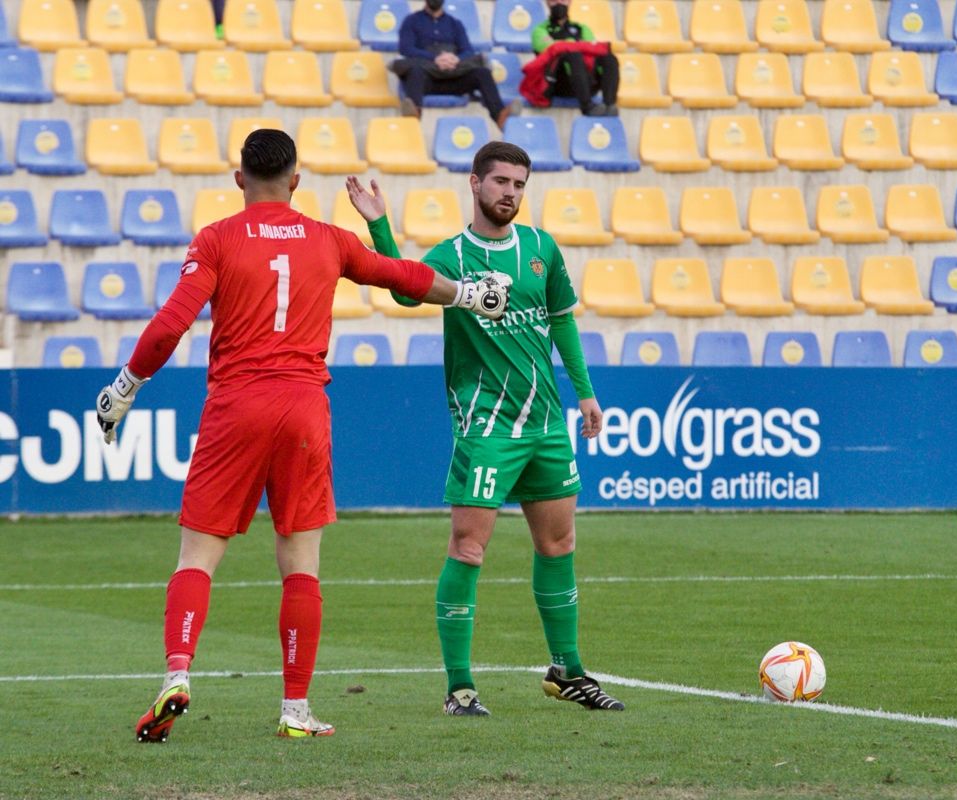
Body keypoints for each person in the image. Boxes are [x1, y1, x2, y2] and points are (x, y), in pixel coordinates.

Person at [95, 129, 511, 743]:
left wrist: (125, 387)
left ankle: (176, 675)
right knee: (301, 567)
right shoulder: (329, 238)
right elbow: (405, 277)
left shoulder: (217, 239)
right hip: (303, 410)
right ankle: (295, 709)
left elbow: (169, 326)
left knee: (197, 558)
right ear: (296, 182)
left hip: (235, 406)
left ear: (240, 180)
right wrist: (471, 294)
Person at [345, 141, 625, 716]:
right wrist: (381, 229)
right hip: (487, 424)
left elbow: (562, 324)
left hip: (546, 422)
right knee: (469, 548)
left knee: (559, 543)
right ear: (474, 184)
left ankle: (567, 670)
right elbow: (404, 288)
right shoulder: (453, 257)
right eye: (500, 182)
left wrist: (586, 392)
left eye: (520, 185)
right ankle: (460, 686)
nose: (510, 194)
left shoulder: (542, 248)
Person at [395, 0, 521, 128]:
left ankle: (500, 115)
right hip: (427, 79)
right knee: (415, 70)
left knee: (482, 73)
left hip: (454, 77)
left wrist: (455, 59)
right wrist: (435, 58)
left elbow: (467, 51)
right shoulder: (411, 21)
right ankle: (413, 117)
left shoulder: (454, 23)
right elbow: (406, 48)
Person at [529, 0, 619, 116]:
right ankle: (587, 107)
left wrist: (565, 45)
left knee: (608, 58)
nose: (559, 3)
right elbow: (551, 49)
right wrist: (576, 44)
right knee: (573, 55)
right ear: (547, 3)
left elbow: (593, 49)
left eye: (563, 0)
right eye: (554, 1)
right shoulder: (540, 30)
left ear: (570, 2)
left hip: (585, 81)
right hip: (557, 84)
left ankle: (609, 104)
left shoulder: (581, 28)